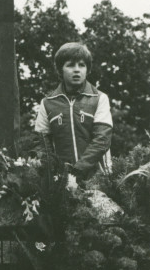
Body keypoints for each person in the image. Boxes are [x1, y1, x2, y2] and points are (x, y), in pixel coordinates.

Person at [34, 42, 113, 180]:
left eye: (81, 65)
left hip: (98, 179)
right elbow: (43, 145)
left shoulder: (99, 98)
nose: (77, 70)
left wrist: (77, 170)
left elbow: (102, 139)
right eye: (70, 65)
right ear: (60, 69)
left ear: (87, 69)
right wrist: (54, 173)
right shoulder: (47, 103)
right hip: (62, 181)